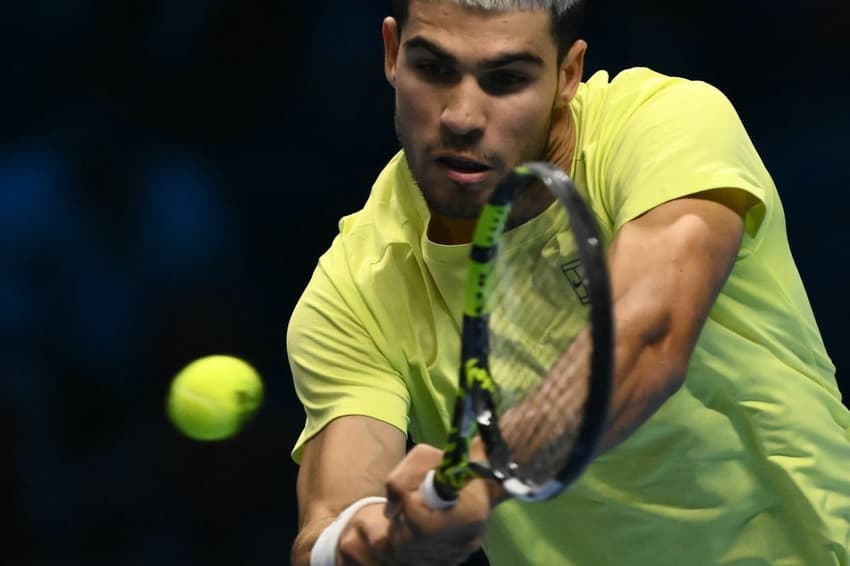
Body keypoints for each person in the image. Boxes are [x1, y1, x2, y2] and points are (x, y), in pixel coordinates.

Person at [287, 1, 850, 564]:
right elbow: (328, 519)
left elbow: (646, 335)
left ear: (567, 75)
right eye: (434, 69)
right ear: (391, 54)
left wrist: (482, 473)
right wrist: (371, 541)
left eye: (506, 79)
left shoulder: (667, 124)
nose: (461, 116)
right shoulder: (357, 287)